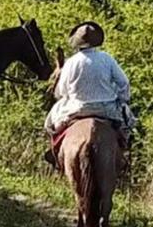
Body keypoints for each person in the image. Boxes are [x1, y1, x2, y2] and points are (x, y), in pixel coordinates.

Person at [44, 21, 133, 164]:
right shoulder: (107, 58)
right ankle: (125, 154)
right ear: (97, 41)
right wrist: (122, 99)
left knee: (49, 123)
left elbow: (61, 91)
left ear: (77, 42)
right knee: (128, 125)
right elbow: (124, 83)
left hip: (76, 109)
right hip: (107, 109)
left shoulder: (71, 62)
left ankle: (55, 152)